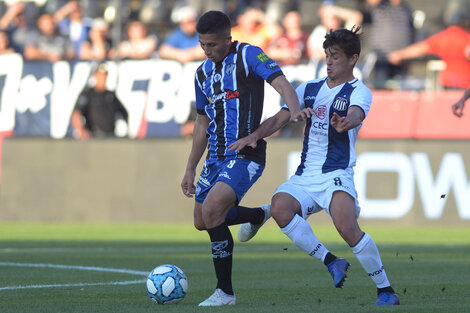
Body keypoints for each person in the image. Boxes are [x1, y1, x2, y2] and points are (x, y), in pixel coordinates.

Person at [233, 27, 400, 306]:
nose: (329, 61)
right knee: (280, 207)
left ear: (353, 59)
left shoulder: (359, 91)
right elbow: (281, 117)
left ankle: (386, 290)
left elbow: (356, 114)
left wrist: (345, 122)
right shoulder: (308, 89)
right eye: (327, 55)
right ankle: (332, 261)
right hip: (306, 175)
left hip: (336, 172)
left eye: (335, 56)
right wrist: (253, 137)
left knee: (346, 227)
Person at [180, 10, 300, 306]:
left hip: (246, 152)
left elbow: (283, 84)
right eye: (202, 45)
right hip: (215, 157)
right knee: (202, 220)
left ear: (228, 39)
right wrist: (189, 168)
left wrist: (293, 109)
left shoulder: (249, 56)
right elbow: (201, 123)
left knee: (212, 212)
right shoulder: (201, 74)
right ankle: (258, 215)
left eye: (212, 44)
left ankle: (225, 292)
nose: (207, 51)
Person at [387, 11, 470, 89]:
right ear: (463, 23)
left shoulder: (442, 38)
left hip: (448, 82)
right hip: (466, 83)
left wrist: (400, 54)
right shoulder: (466, 38)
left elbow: (420, 48)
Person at [362, 0, 415, 89]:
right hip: (382, 58)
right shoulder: (381, 6)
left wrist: (404, 54)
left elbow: (412, 33)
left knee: (401, 90)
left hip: (402, 60)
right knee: (381, 89)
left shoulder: (407, 9)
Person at [71, 64, 128, 140]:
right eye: (100, 76)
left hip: (110, 137)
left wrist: (125, 131)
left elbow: (124, 113)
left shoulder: (110, 96)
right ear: (95, 76)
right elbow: (76, 114)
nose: (102, 78)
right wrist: (81, 131)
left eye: (104, 76)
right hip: (94, 137)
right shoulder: (88, 94)